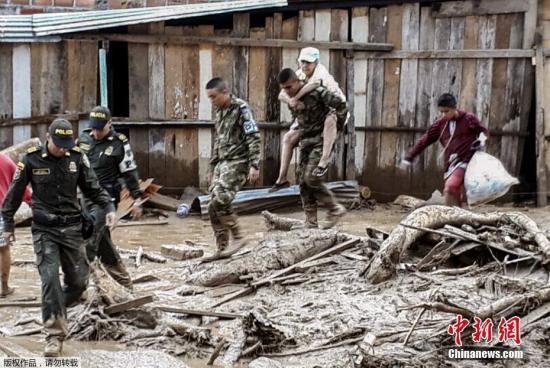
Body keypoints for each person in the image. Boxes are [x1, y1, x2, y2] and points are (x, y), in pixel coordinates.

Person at [1, 119, 116, 357]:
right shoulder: (30, 160)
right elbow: (13, 195)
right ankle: (54, 335)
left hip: (72, 228)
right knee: (50, 279)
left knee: (78, 283)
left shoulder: (76, 157)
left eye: (67, 144)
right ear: (47, 137)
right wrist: (8, 224)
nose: (63, 149)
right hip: (45, 230)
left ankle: (54, 309)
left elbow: (92, 187)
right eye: (59, 144)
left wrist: (110, 207)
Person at [77, 106, 142, 289]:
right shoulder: (82, 138)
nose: (97, 133)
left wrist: (136, 199)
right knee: (102, 240)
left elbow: (130, 171)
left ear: (110, 124)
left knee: (89, 240)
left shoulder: (119, 143)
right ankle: (124, 282)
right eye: (94, 128)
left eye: (101, 129)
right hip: (85, 197)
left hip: (106, 200)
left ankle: (79, 288)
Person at [277, 68, 347, 228]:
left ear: (297, 82)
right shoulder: (292, 98)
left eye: (289, 87)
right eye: (283, 88)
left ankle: (335, 208)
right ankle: (311, 221)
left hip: (321, 141)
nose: (286, 91)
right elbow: (299, 118)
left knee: (312, 177)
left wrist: (335, 123)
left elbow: (341, 105)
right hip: (306, 142)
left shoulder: (318, 92)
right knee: (302, 180)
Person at [270, 47, 347, 192]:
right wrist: (291, 100)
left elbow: (314, 85)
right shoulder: (299, 73)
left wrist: (295, 98)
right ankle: (282, 178)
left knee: (331, 120)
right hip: (310, 116)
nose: (305, 65)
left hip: (334, 109)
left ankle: (324, 161)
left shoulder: (321, 72)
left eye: (308, 62)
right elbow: (281, 94)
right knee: (288, 138)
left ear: (316, 62)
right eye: (302, 61)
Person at [400, 93, 489, 207]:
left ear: (454, 108)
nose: (443, 114)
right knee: (454, 191)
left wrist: (480, 141)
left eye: (446, 111)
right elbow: (424, 141)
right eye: (441, 112)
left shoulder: (468, 119)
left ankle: (453, 214)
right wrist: (409, 157)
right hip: (451, 163)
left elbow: (483, 131)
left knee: (451, 187)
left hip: (467, 161)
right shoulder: (439, 125)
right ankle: (458, 216)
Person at [206, 77, 261, 255]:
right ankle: (222, 248)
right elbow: (219, 140)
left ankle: (238, 237)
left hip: (238, 161)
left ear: (225, 92)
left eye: (214, 97)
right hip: (222, 163)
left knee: (221, 199)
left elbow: (253, 136)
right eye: (209, 98)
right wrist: (213, 166)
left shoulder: (241, 108)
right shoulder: (220, 112)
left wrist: (254, 165)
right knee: (212, 206)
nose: (212, 101)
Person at [0, 153, 32, 298]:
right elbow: (21, 182)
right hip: (2, 211)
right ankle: (4, 287)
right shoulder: (5, 160)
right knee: (3, 249)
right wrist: (32, 201)